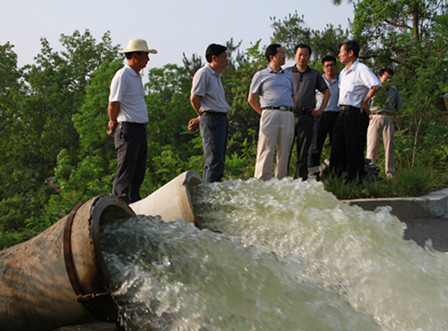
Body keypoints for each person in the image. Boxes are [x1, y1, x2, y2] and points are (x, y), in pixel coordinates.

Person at [107, 38, 157, 204]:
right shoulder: (122, 76)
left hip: (139, 129)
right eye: (145, 55)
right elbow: (114, 102)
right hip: (128, 128)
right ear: (135, 56)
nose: (148, 59)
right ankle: (120, 205)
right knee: (125, 173)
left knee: (138, 172)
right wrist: (112, 120)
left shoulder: (135, 77)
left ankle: (133, 203)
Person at [330, 40, 381, 181]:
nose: (339, 55)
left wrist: (365, 101)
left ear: (350, 53)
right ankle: (336, 180)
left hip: (355, 113)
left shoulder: (361, 69)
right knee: (337, 148)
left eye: (341, 52)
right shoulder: (344, 72)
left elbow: (376, 85)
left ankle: (354, 181)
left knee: (354, 149)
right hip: (342, 112)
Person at [248, 44, 295, 180]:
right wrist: (262, 113)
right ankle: (261, 183)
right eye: (281, 54)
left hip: (287, 113)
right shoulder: (261, 75)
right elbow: (251, 99)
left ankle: (280, 183)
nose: (284, 56)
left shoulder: (288, 75)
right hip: (269, 112)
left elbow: (293, 96)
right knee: (266, 150)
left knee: (285, 150)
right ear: (272, 57)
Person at [286, 44, 330, 180]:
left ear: (309, 57)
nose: (302, 57)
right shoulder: (287, 72)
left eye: (305, 54)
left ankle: (300, 180)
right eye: (299, 54)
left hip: (307, 116)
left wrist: (321, 110)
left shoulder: (314, 74)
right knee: (285, 149)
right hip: (288, 115)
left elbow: (326, 91)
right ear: (294, 56)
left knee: (303, 151)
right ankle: (281, 180)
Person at [188, 44, 230, 183]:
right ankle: (208, 193)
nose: (227, 60)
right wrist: (201, 116)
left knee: (219, 160)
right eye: (224, 57)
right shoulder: (204, 73)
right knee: (213, 160)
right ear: (214, 58)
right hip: (211, 119)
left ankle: (214, 191)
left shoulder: (216, 76)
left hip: (220, 118)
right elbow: (195, 98)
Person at [366, 68, 403, 178]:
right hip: (375, 117)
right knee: (372, 147)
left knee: (389, 147)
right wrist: (368, 115)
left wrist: (397, 118)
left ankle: (390, 174)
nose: (389, 81)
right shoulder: (373, 89)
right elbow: (364, 102)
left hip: (388, 117)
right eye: (387, 78)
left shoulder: (394, 91)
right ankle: (370, 173)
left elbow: (400, 106)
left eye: (390, 79)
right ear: (380, 77)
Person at [308, 55, 340, 180]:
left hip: (337, 114)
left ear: (336, 66)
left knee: (336, 146)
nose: (330, 68)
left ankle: (335, 173)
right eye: (327, 66)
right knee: (316, 145)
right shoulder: (318, 80)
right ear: (323, 67)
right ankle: (313, 173)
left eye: (332, 65)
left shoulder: (341, 80)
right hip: (321, 115)